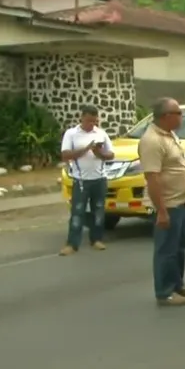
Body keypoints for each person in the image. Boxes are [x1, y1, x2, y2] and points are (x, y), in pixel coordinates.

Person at [139, 97, 185, 306]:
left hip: (180, 201)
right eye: (178, 113)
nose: (182, 117)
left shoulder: (169, 135)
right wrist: (161, 211)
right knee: (166, 249)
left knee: (180, 245)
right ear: (166, 117)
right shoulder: (151, 140)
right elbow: (152, 178)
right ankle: (164, 292)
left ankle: (177, 284)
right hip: (168, 205)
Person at [58, 105, 114, 256]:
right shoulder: (72, 134)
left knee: (98, 211)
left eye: (94, 121)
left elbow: (111, 155)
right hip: (81, 180)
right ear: (82, 118)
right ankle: (72, 244)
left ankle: (96, 239)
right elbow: (65, 155)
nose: (92, 124)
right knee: (77, 212)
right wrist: (86, 148)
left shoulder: (101, 133)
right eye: (89, 121)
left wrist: (99, 152)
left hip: (100, 179)